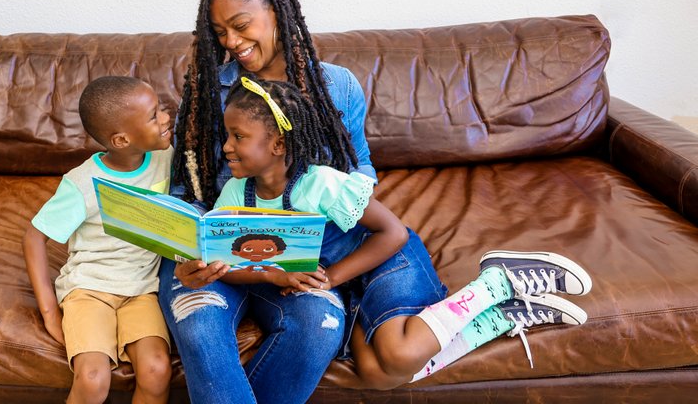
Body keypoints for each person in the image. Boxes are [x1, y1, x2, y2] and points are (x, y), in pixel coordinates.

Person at [158, 0, 591, 403]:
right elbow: (185, 189)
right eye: (220, 32)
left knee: (323, 328)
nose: (231, 42)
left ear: (276, 13)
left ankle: (492, 294)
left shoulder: (336, 88)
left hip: (314, 245)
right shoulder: (210, 90)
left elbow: (359, 165)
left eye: (241, 25)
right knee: (200, 315)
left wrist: (329, 203)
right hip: (219, 244)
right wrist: (196, 246)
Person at [216, 76, 593, 390]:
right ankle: (501, 317)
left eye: (238, 136)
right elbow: (227, 258)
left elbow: (392, 233)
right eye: (226, 136)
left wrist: (330, 279)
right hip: (347, 288)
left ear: (278, 144)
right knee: (378, 375)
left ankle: (495, 283)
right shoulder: (236, 194)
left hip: (381, 260)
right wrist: (278, 275)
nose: (227, 147)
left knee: (399, 354)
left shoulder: (322, 185)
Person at [23, 76, 174, 404]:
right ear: (121, 139)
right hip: (89, 290)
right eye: (153, 116)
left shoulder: (166, 157)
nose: (165, 118)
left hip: (142, 290)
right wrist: (49, 311)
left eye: (161, 109)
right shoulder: (81, 183)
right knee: (93, 379)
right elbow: (34, 237)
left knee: (157, 369)